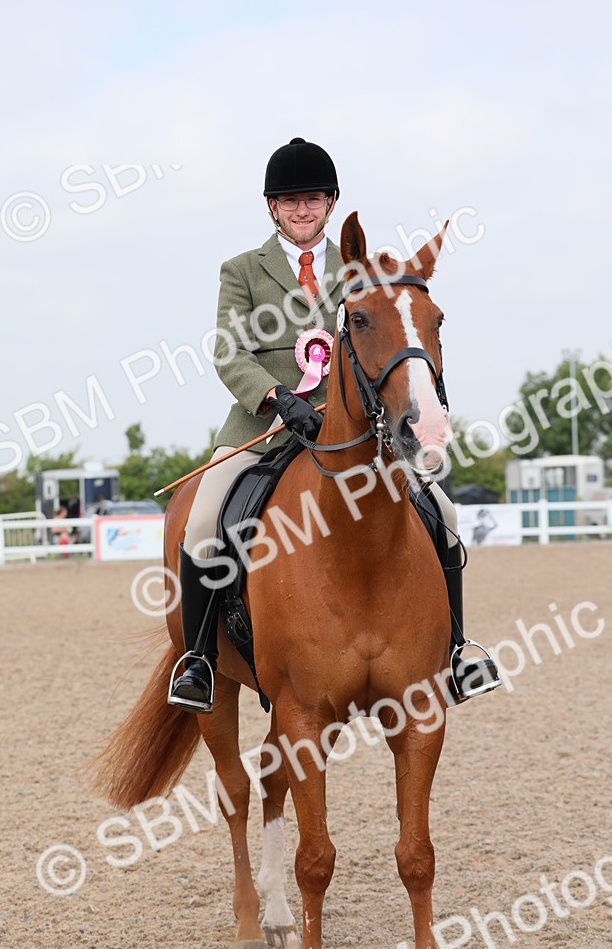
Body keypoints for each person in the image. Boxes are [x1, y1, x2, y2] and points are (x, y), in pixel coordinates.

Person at [168, 136, 500, 712]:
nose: (303, 209)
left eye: (314, 199)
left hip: (350, 428)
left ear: (330, 203)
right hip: (261, 428)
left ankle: (457, 649)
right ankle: (197, 658)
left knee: (441, 511)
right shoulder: (243, 271)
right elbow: (228, 352)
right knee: (202, 522)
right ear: (273, 207)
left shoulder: (357, 269)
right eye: (291, 200)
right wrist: (275, 397)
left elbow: (391, 332)